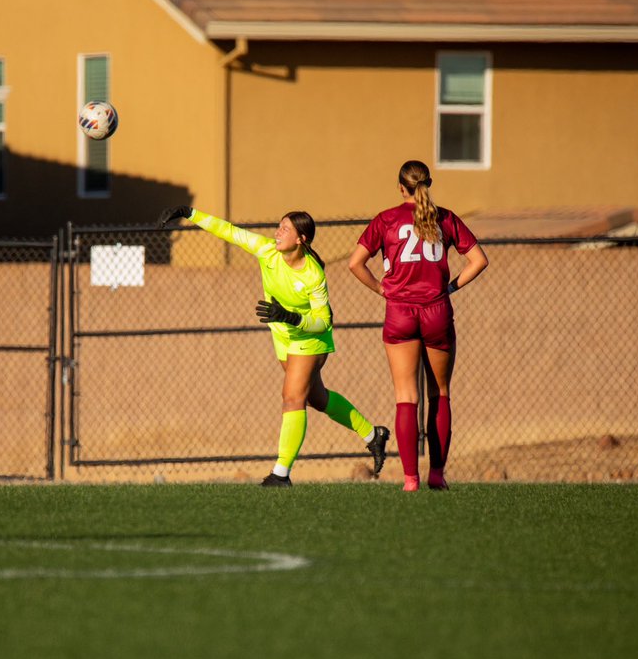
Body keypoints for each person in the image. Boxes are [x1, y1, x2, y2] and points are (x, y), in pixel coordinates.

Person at [158, 205, 390, 487]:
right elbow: (229, 232)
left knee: (292, 397)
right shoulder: (267, 250)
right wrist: (190, 213)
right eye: (279, 226)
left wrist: (291, 317)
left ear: (301, 239)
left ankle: (281, 474)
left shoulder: (313, 274)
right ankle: (372, 434)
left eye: (285, 229)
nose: (277, 232)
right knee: (316, 397)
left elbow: (323, 321)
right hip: (282, 336)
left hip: (310, 339)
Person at [348, 160, 488, 492]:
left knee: (405, 396)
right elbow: (479, 260)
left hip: (400, 312)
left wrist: (382, 288)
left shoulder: (386, 219)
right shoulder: (445, 218)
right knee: (440, 393)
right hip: (437, 310)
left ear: (401, 187)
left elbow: (355, 263)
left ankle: (410, 479)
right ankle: (436, 475)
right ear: (428, 184)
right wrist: (450, 287)